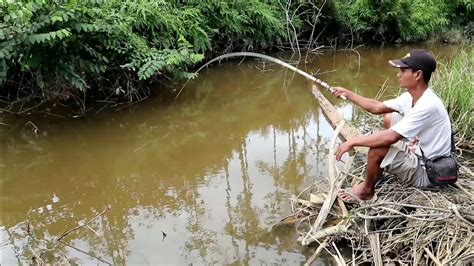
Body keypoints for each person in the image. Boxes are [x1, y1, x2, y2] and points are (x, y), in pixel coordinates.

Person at [332, 49, 452, 203]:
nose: (398, 74)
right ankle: (380, 169)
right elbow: (377, 107)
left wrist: (352, 141)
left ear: (418, 75)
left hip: (428, 172)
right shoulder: (412, 95)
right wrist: (348, 94)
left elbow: (390, 137)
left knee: (378, 148)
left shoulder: (428, 105)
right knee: (390, 117)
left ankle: (367, 191)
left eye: (403, 70)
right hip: (419, 151)